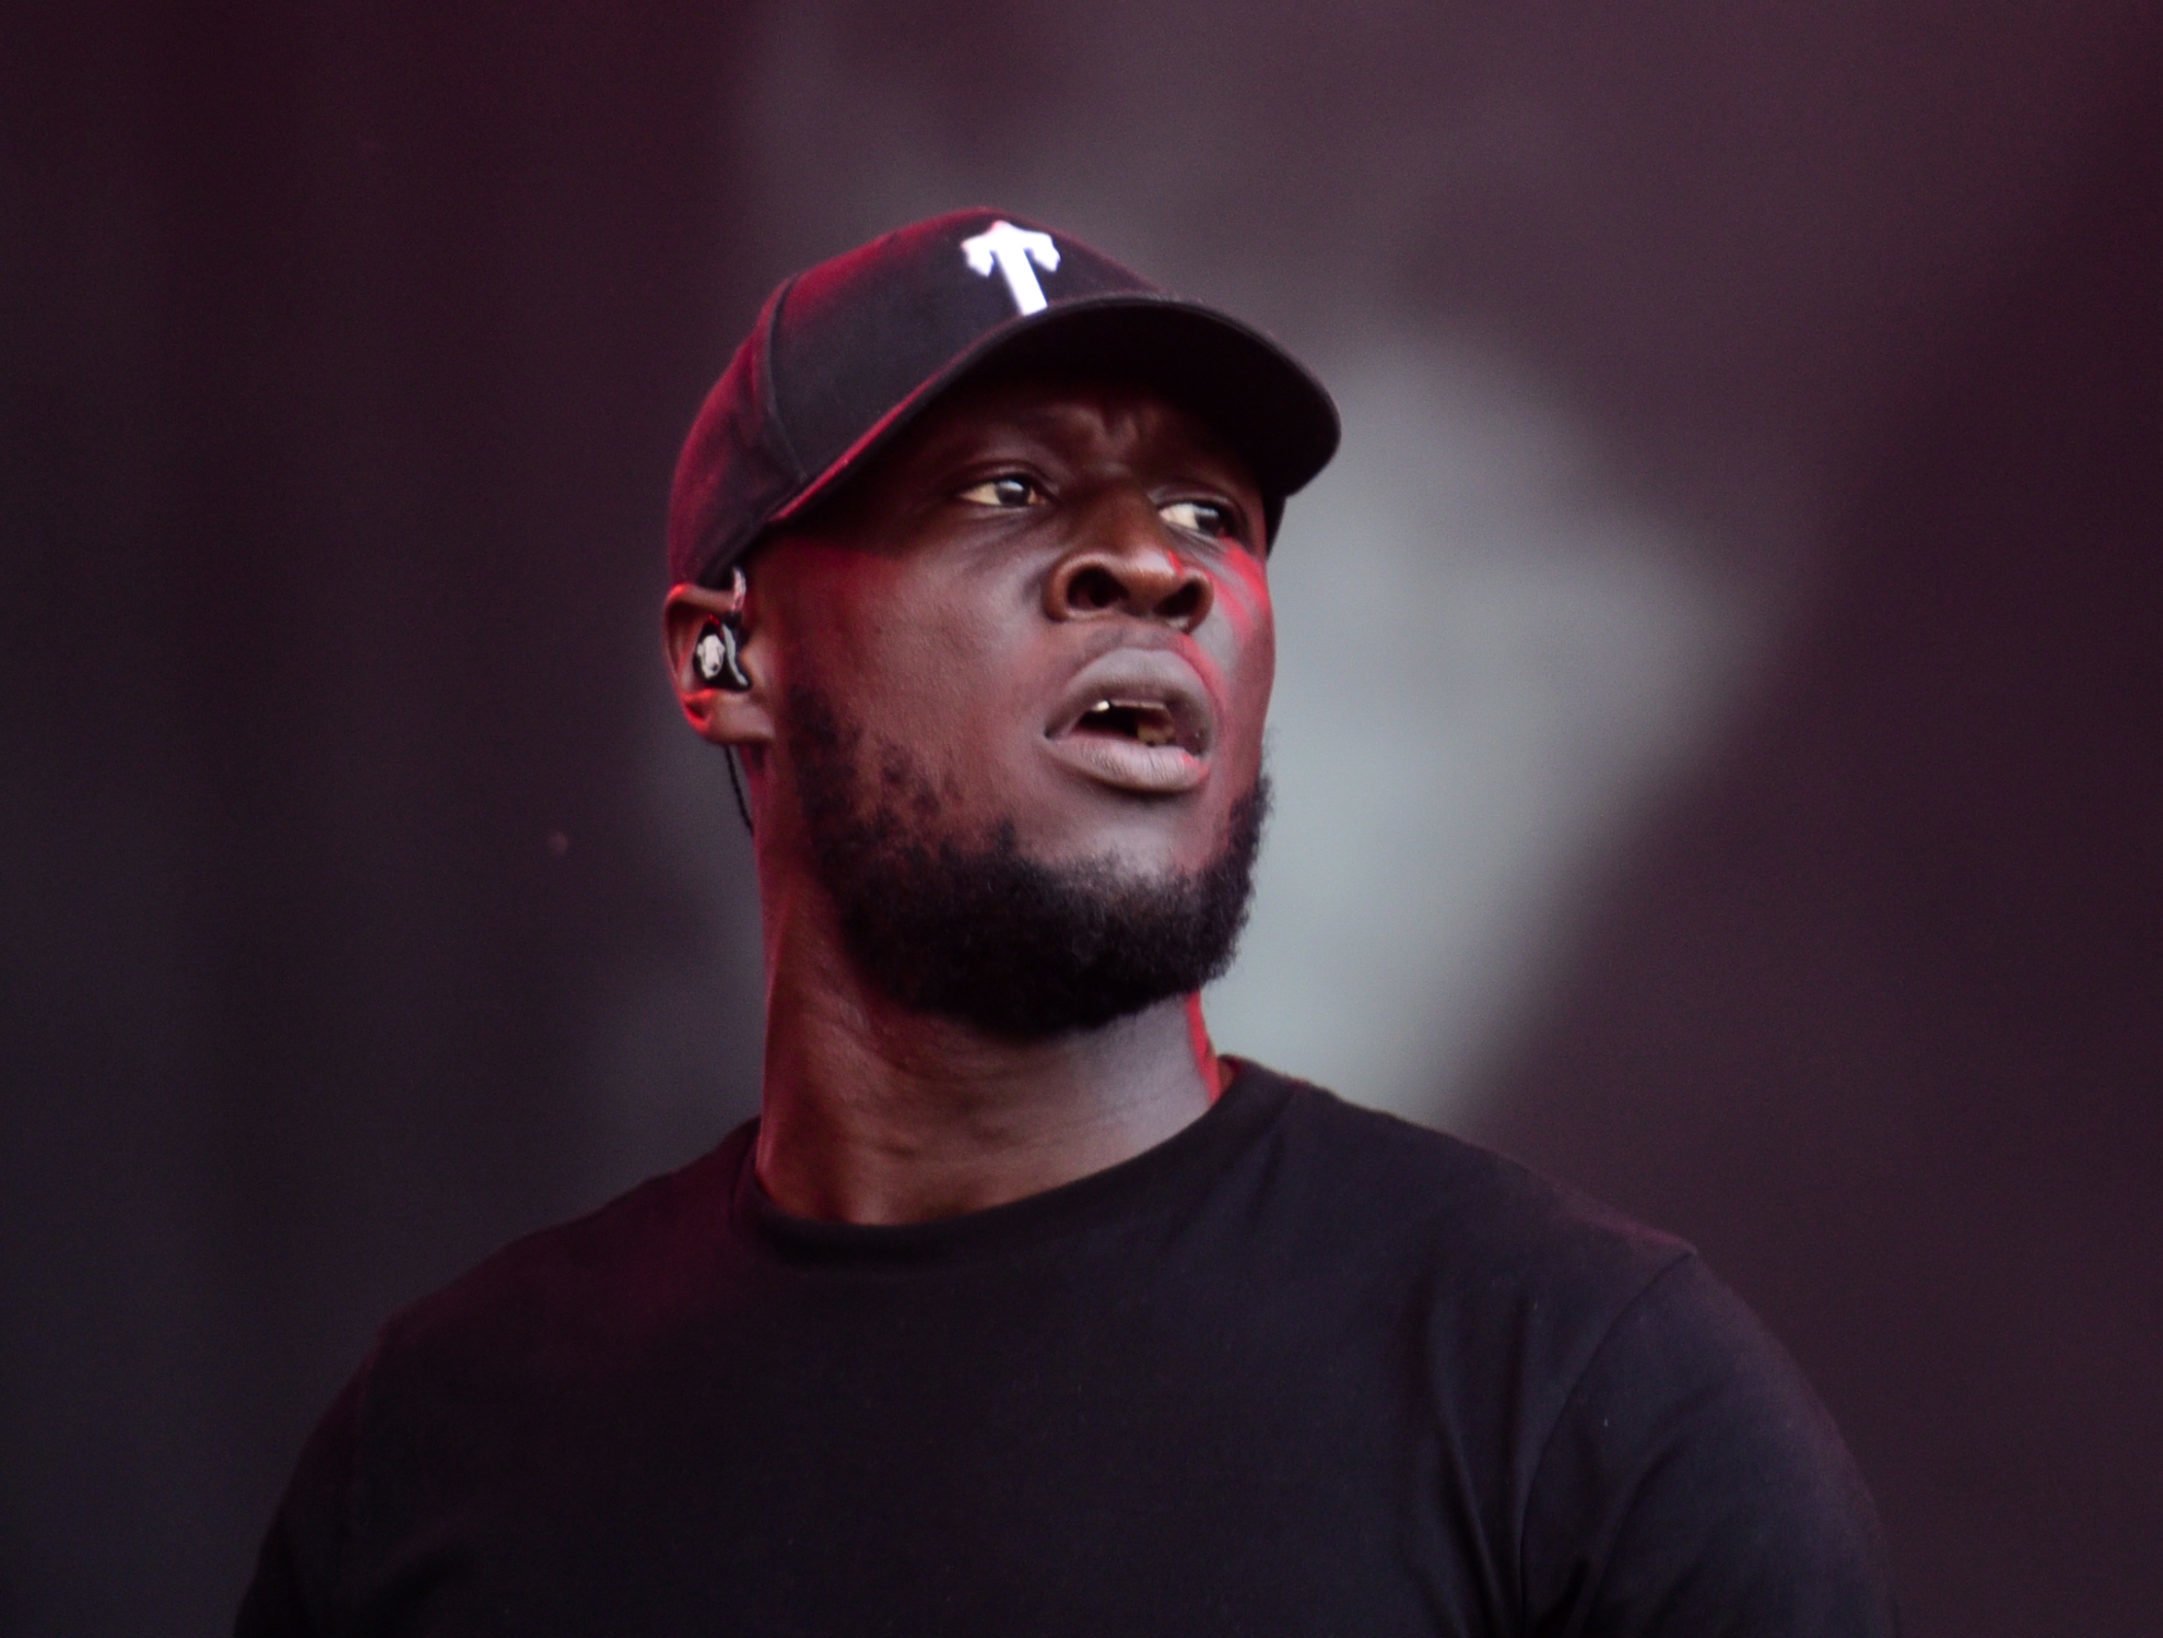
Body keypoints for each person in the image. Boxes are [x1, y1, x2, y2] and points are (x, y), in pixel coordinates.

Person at [237, 208, 1897, 1635]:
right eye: (1008, 487)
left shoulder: (1589, 1397)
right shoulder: (441, 1453)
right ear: (727, 657)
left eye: (1210, 515)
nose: (1153, 567)